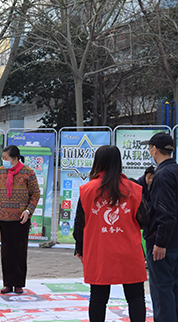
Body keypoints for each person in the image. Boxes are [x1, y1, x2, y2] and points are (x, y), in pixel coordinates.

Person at [73, 145, 148, 322]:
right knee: (136, 296)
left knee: (98, 298)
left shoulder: (87, 190)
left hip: (100, 252)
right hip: (129, 251)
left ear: (97, 163)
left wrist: (79, 248)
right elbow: (145, 220)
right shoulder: (134, 189)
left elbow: (79, 225)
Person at [0, 145, 40, 295]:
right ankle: (7, 283)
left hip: (21, 218)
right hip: (4, 217)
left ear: (15, 159)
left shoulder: (28, 173)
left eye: (6, 158)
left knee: (20, 249)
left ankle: (19, 284)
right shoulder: (0, 172)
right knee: (6, 250)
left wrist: (28, 210)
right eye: (3, 158)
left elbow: (35, 194)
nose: (4, 161)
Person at [141, 132, 178, 322]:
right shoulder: (175, 170)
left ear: (154, 149)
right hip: (176, 241)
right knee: (173, 288)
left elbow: (166, 212)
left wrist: (160, 242)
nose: (149, 151)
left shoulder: (162, 174)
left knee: (162, 290)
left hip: (164, 243)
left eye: (150, 147)